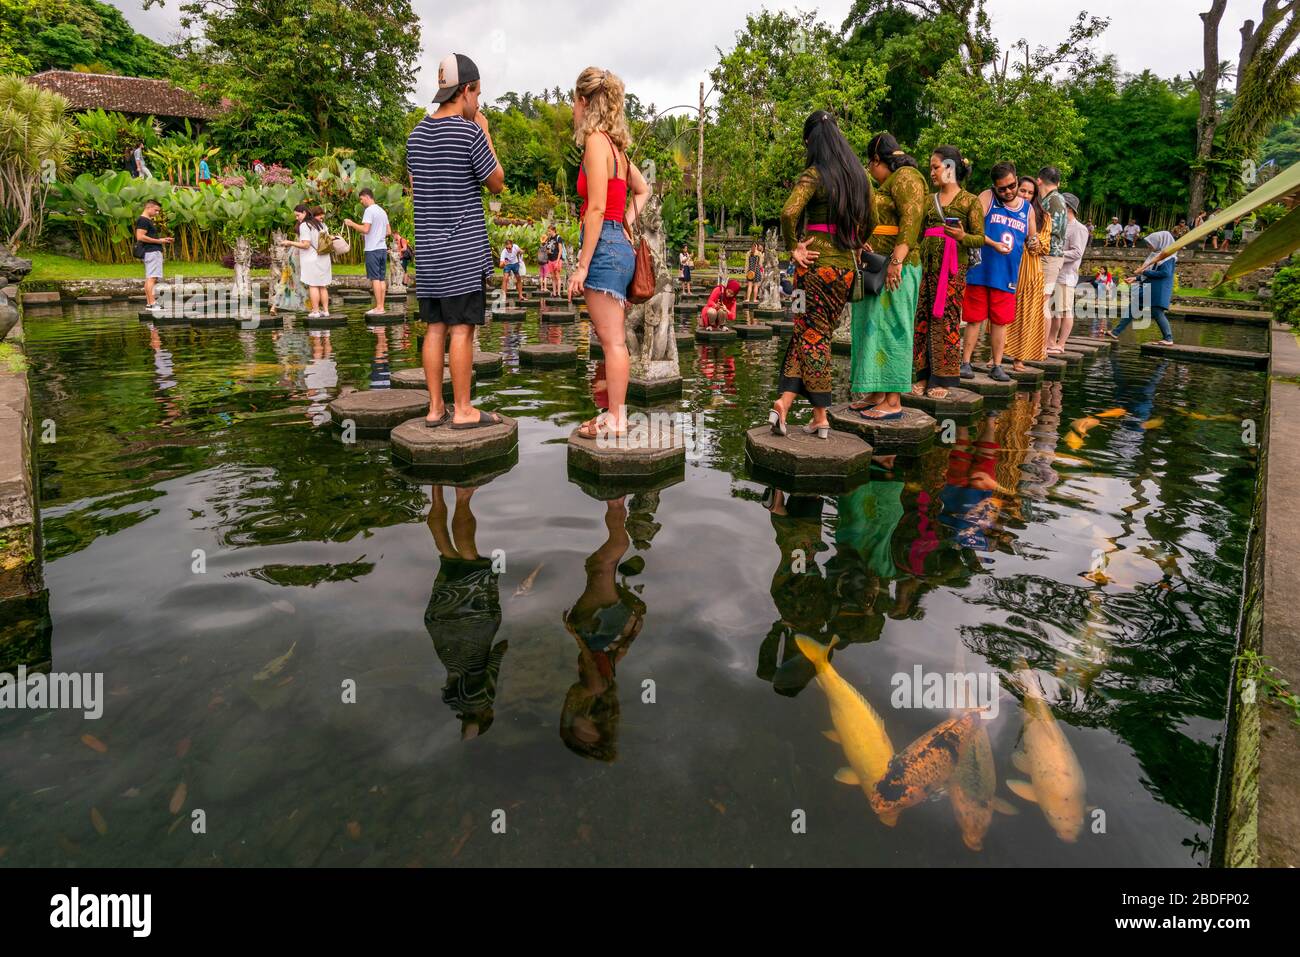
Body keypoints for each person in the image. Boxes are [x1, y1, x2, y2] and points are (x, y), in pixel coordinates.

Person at [407, 51, 507, 429]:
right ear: (464, 90)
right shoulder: (469, 132)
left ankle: (435, 409)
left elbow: (417, 189)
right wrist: (484, 130)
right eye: (477, 94)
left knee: (434, 328)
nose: (478, 102)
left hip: (429, 255)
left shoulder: (416, 136)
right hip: (462, 251)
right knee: (462, 329)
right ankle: (463, 410)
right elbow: (495, 182)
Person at [769, 110, 872, 438]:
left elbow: (788, 212)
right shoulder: (858, 177)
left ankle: (821, 415)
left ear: (811, 141)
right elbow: (872, 217)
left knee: (810, 335)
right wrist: (855, 242)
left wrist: (793, 248)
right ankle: (784, 403)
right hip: (842, 272)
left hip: (809, 271)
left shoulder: (815, 174)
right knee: (809, 332)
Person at [567, 66, 651, 441]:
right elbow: (643, 190)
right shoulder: (619, 150)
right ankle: (615, 414)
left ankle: (615, 418)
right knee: (614, 339)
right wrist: (626, 223)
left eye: (573, 101)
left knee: (612, 341)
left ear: (584, 102)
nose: (572, 109)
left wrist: (581, 266)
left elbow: (597, 208)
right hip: (621, 246)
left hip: (603, 248)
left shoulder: (595, 144)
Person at [851, 132, 926, 420]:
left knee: (895, 327)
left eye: (870, 165)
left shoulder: (906, 176)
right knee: (871, 326)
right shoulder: (887, 184)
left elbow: (911, 219)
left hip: (898, 265)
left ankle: (894, 399)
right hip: (876, 262)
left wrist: (897, 260)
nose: (870, 171)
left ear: (877, 159)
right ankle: (876, 392)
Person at [912, 144, 984, 397]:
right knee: (921, 320)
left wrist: (963, 235)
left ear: (950, 168)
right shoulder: (926, 202)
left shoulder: (970, 201)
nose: (931, 172)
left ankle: (943, 380)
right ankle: (922, 376)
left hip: (953, 272)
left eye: (935, 167)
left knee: (947, 321)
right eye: (930, 167)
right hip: (926, 269)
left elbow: (979, 239)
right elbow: (917, 235)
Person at [959, 161, 1035, 382]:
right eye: (1002, 188)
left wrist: (1036, 242)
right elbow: (972, 230)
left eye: (1012, 185)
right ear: (994, 187)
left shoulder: (1027, 208)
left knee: (1000, 321)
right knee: (974, 318)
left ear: (1016, 179)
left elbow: (1032, 237)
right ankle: (966, 362)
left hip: (1007, 274)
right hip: (981, 271)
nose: (1008, 191)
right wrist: (993, 243)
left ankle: (997, 365)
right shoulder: (987, 198)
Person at [1002, 176, 1049, 372]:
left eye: (1030, 193)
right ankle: (995, 355)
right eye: (1023, 191)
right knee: (1002, 309)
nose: (1026, 195)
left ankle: (1019, 358)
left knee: (1025, 313)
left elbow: (1045, 245)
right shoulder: (1005, 209)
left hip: (1030, 269)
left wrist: (1034, 240)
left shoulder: (1043, 217)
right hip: (1007, 264)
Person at [1107, 231, 1177, 345]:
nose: (1148, 246)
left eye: (1150, 244)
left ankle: (1168, 338)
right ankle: (1116, 332)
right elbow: (1150, 273)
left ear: (1160, 243)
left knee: (1157, 312)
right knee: (1133, 307)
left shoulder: (1168, 257)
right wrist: (1135, 278)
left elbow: (1165, 273)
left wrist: (1144, 271)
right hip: (1148, 288)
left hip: (1158, 290)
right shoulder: (1157, 256)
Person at [1046, 192, 1089, 352]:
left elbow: (1078, 252)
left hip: (1067, 275)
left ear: (1067, 207)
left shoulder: (1079, 228)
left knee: (1065, 310)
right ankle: (1051, 341)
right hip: (1055, 273)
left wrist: (1057, 254)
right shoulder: (1060, 225)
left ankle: (1061, 343)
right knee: (1054, 311)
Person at [1036, 166, 1068, 364]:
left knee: (1043, 301)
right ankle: (1041, 344)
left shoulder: (1055, 200)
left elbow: (1053, 229)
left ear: (1039, 180)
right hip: (1048, 255)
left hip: (1050, 256)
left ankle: (1042, 346)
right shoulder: (1053, 199)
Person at [343, 187, 391, 315]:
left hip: (372, 249)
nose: (361, 202)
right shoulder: (382, 211)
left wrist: (351, 223)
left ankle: (379, 307)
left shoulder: (369, 210)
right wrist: (377, 234)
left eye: (361, 199)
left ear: (367, 196)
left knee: (375, 278)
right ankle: (381, 307)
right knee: (381, 278)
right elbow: (388, 232)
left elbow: (365, 229)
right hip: (382, 248)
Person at [279, 203, 332, 317]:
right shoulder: (321, 224)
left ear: (304, 213)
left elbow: (306, 245)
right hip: (324, 258)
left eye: (298, 215)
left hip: (312, 259)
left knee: (313, 285)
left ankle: (316, 311)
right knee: (323, 285)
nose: (297, 218)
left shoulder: (305, 225)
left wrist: (290, 242)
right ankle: (326, 311)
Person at [135, 199, 173, 311]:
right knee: (152, 278)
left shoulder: (146, 220)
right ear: (149, 207)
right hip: (152, 252)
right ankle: (152, 303)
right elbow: (140, 237)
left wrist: (162, 239)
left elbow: (146, 236)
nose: (157, 213)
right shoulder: (143, 220)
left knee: (149, 278)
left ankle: (149, 303)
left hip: (150, 251)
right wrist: (159, 241)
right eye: (156, 210)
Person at [542, 225, 562, 296]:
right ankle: (554, 293)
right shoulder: (550, 238)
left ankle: (559, 293)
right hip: (550, 260)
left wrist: (557, 261)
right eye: (548, 231)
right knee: (553, 277)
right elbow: (546, 249)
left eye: (549, 231)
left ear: (553, 230)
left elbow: (560, 250)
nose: (548, 232)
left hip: (556, 259)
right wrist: (548, 251)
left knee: (557, 276)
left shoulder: (558, 238)